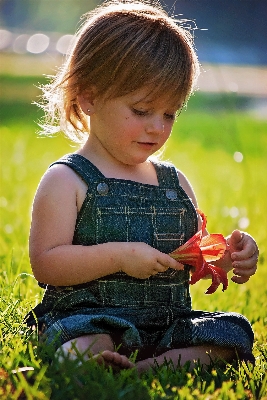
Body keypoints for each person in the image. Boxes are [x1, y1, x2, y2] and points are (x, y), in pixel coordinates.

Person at [27, 0, 258, 373]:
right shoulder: (67, 179)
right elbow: (47, 264)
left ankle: (145, 368)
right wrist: (119, 256)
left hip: (165, 324)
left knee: (233, 334)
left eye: (169, 113)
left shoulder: (174, 183)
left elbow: (191, 257)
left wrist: (228, 257)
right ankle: (97, 359)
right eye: (141, 111)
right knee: (85, 339)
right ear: (89, 96)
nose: (157, 127)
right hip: (91, 318)